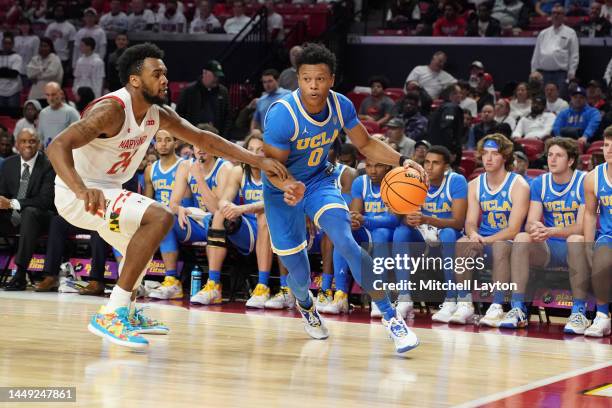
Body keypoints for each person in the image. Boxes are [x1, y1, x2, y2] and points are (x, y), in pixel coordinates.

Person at [46, 43, 287, 348]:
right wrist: (81, 189)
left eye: (165, 73)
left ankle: (127, 313)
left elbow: (202, 139)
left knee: (139, 251)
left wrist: (256, 160)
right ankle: (111, 314)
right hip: (77, 192)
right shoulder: (111, 110)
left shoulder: (157, 114)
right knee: (161, 215)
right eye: (156, 73)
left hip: (107, 191)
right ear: (135, 80)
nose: (164, 80)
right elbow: (57, 145)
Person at [262, 43, 424, 353]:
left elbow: (365, 144)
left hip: (319, 181)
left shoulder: (341, 106)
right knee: (297, 272)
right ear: (298, 79)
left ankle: (391, 319)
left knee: (346, 240)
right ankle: (307, 306)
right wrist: (288, 186)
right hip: (281, 191)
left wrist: (403, 162)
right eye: (307, 79)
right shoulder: (283, 115)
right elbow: (272, 168)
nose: (313, 85)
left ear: (331, 79)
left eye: (320, 79)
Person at [501, 137, 588, 331]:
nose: (553, 160)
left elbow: (582, 226)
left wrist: (553, 231)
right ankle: (517, 308)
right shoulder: (540, 182)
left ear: (571, 160)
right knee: (522, 237)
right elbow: (532, 220)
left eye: (559, 155)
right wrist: (536, 229)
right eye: (550, 155)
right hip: (548, 248)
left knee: (576, 239)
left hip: (575, 246)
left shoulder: (584, 181)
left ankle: (579, 311)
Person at [452, 134, 530, 326]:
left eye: (494, 154)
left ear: (505, 157)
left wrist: (484, 241)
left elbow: (513, 230)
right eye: (485, 153)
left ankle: (497, 306)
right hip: (483, 239)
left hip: (509, 242)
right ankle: (465, 304)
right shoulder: (474, 184)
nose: (488, 158)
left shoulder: (518, 184)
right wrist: (473, 235)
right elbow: (470, 221)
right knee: (462, 243)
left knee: (501, 246)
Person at [393, 146, 468, 323]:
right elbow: (403, 215)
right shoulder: (415, 179)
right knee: (401, 232)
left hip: (447, 234)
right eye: (426, 162)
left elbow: (458, 222)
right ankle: (404, 298)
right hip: (423, 236)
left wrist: (427, 219)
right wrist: (407, 219)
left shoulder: (456, 181)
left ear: (446, 167)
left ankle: (451, 300)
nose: (429, 167)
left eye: (435, 163)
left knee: (449, 234)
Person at [206, 132, 274, 308]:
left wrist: (242, 209)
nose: (254, 154)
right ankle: (213, 285)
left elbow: (271, 203)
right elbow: (224, 198)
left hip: (272, 228)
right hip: (249, 230)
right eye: (250, 149)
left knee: (264, 216)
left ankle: (263, 286)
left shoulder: (273, 170)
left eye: (260, 150)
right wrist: (227, 207)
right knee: (220, 213)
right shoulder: (239, 171)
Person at [0, 128, 55, 291]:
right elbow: (2, 193)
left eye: (32, 141)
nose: (28, 145)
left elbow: (45, 201)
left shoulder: (48, 165)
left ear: (38, 144)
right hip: (12, 217)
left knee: (30, 212)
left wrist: (13, 203)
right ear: (17, 144)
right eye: (23, 141)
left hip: (41, 217)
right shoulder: (8, 164)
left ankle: (20, 275)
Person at [142, 129, 191, 300]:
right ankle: (135, 283)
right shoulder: (150, 169)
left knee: (164, 221)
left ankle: (171, 280)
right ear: (154, 143)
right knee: (121, 229)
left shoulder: (184, 166)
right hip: (158, 216)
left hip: (183, 218)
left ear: (176, 143)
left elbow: (187, 202)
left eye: (168, 140)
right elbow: (147, 201)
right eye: (159, 140)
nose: (163, 144)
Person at [581, 126, 612, 337]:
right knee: (600, 259)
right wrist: (587, 245)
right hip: (609, 236)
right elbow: (590, 215)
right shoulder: (593, 177)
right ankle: (602, 317)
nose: (609, 149)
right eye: (607, 145)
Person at [531, 4, 579, 96]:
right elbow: (536, 53)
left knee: (559, 98)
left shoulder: (570, 32)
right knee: (543, 99)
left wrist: (572, 72)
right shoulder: (543, 33)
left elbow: (574, 54)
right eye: (554, 13)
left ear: (564, 16)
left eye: (559, 13)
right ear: (551, 15)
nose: (556, 15)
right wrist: (533, 71)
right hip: (543, 73)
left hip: (561, 74)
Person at [176, 60, 231, 136]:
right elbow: (179, 115)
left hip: (217, 137)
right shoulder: (189, 91)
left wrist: (224, 137)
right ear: (204, 72)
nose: (216, 79)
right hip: (192, 136)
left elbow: (227, 117)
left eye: (218, 76)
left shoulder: (223, 92)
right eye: (214, 75)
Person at [37, 82, 80, 148]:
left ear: (60, 94)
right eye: (48, 95)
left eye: (53, 94)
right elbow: (40, 137)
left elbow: (79, 135)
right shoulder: (43, 113)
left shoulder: (71, 112)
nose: (51, 98)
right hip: (47, 155)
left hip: (66, 154)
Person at [26, 37, 63, 104]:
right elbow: (29, 73)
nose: (43, 48)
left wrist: (37, 76)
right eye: (41, 46)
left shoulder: (55, 59)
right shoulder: (35, 59)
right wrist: (43, 69)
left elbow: (52, 73)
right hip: (35, 94)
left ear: (50, 47)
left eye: (45, 46)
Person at [44, 5, 76, 78]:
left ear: (64, 12)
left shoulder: (70, 27)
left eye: (60, 11)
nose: (58, 13)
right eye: (57, 11)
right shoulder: (50, 26)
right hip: (51, 59)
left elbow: (72, 46)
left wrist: (71, 63)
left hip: (64, 59)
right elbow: (45, 43)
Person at [0, 33, 23, 113]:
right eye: (5, 43)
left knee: (13, 115)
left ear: (12, 44)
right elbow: (10, 73)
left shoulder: (17, 57)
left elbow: (14, 74)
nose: (7, 45)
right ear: (2, 44)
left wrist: (2, 71)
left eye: (9, 43)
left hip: (13, 91)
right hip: (0, 91)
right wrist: (7, 71)